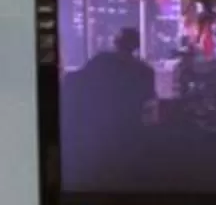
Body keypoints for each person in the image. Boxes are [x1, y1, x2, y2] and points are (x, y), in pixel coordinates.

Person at [64, 27, 155, 159]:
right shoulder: (145, 71)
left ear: (116, 42)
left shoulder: (101, 61)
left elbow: (78, 80)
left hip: (101, 128)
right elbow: (148, 100)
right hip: (131, 129)